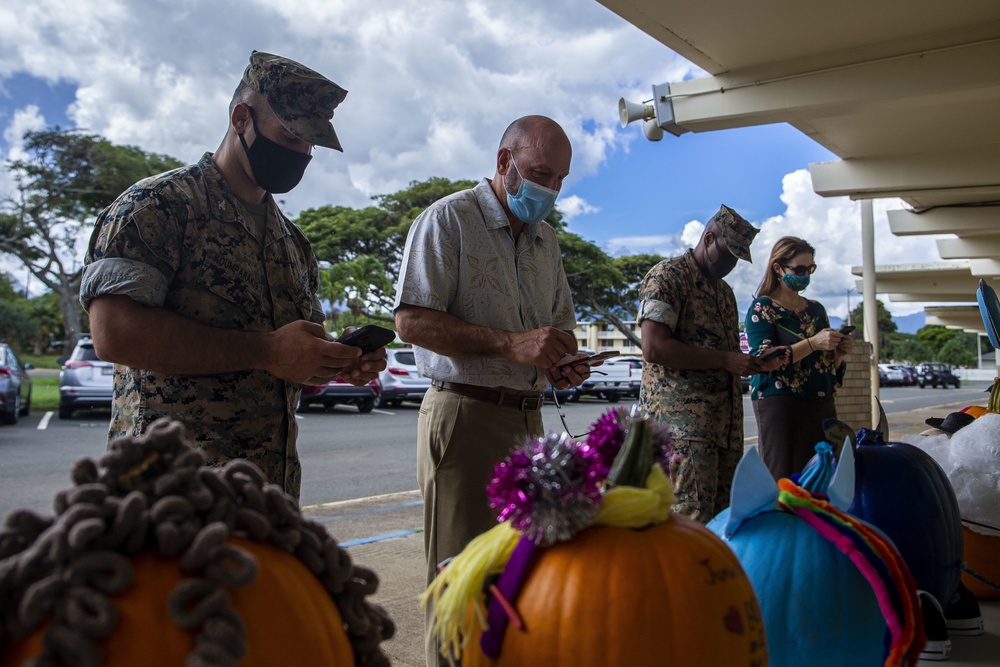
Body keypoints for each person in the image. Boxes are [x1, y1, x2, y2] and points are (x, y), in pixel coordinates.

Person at [80, 51, 386, 502]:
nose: (301, 152)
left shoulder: (293, 244)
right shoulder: (157, 207)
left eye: (310, 143)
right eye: (289, 134)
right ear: (241, 117)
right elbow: (114, 335)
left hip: (267, 496)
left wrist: (336, 361)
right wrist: (266, 352)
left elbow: (291, 364)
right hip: (167, 498)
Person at [393, 115, 589, 667]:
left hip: (528, 422)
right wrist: (512, 346)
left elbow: (559, 328)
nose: (549, 189)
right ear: (504, 162)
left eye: (560, 180)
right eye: (540, 173)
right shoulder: (449, 221)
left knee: (517, 579)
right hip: (464, 416)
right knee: (460, 583)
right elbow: (411, 322)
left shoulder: (547, 241)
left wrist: (562, 361)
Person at [637, 205, 785, 523]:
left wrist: (754, 363)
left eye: (738, 257)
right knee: (688, 523)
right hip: (683, 434)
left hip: (723, 432)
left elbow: (726, 356)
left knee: (723, 524)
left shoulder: (724, 292)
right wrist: (725, 360)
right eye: (729, 252)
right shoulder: (669, 276)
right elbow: (654, 347)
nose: (732, 263)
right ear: (708, 239)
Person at [745, 236, 850, 479]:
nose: (806, 275)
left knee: (823, 477)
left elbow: (826, 368)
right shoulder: (763, 308)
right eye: (800, 269)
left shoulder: (816, 310)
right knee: (783, 477)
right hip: (781, 404)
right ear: (778, 268)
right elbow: (763, 359)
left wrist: (840, 354)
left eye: (810, 268)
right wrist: (813, 343)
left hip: (820, 401)